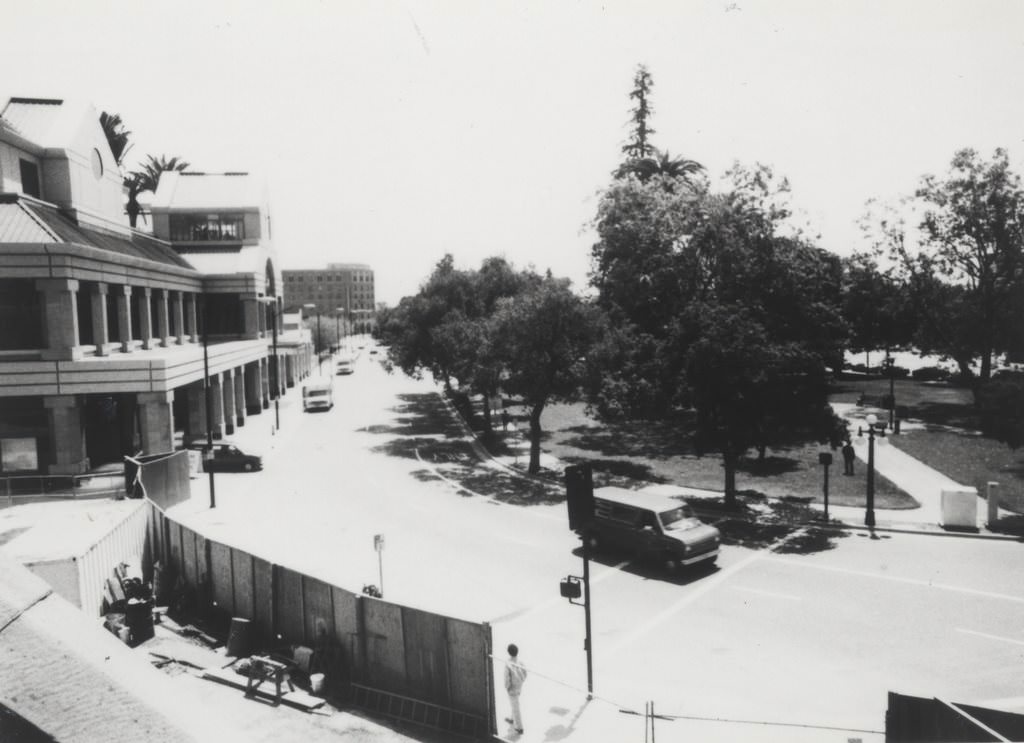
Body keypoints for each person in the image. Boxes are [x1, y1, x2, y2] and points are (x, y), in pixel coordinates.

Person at [504, 643, 527, 734]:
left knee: (515, 706)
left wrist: (507, 687)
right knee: (514, 703)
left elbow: (506, 678)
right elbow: (525, 673)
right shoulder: (520, 661)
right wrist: (521, 681)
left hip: (512, 688)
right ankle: (511, 718)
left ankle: (519, 727)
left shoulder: (508, 663)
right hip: (519, 686)